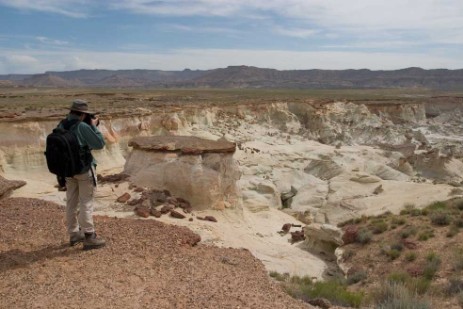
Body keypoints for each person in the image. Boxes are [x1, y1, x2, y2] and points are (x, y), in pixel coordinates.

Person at [59, 99, 106, 250]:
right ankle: (89, 236)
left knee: (71, 202)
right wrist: (93, 126)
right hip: (84, 170)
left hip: (67, 171)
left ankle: (74, 234)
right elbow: (99, 143)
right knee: (86, 201)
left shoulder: (62, 124)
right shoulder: (82, 126)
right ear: (82, 115)